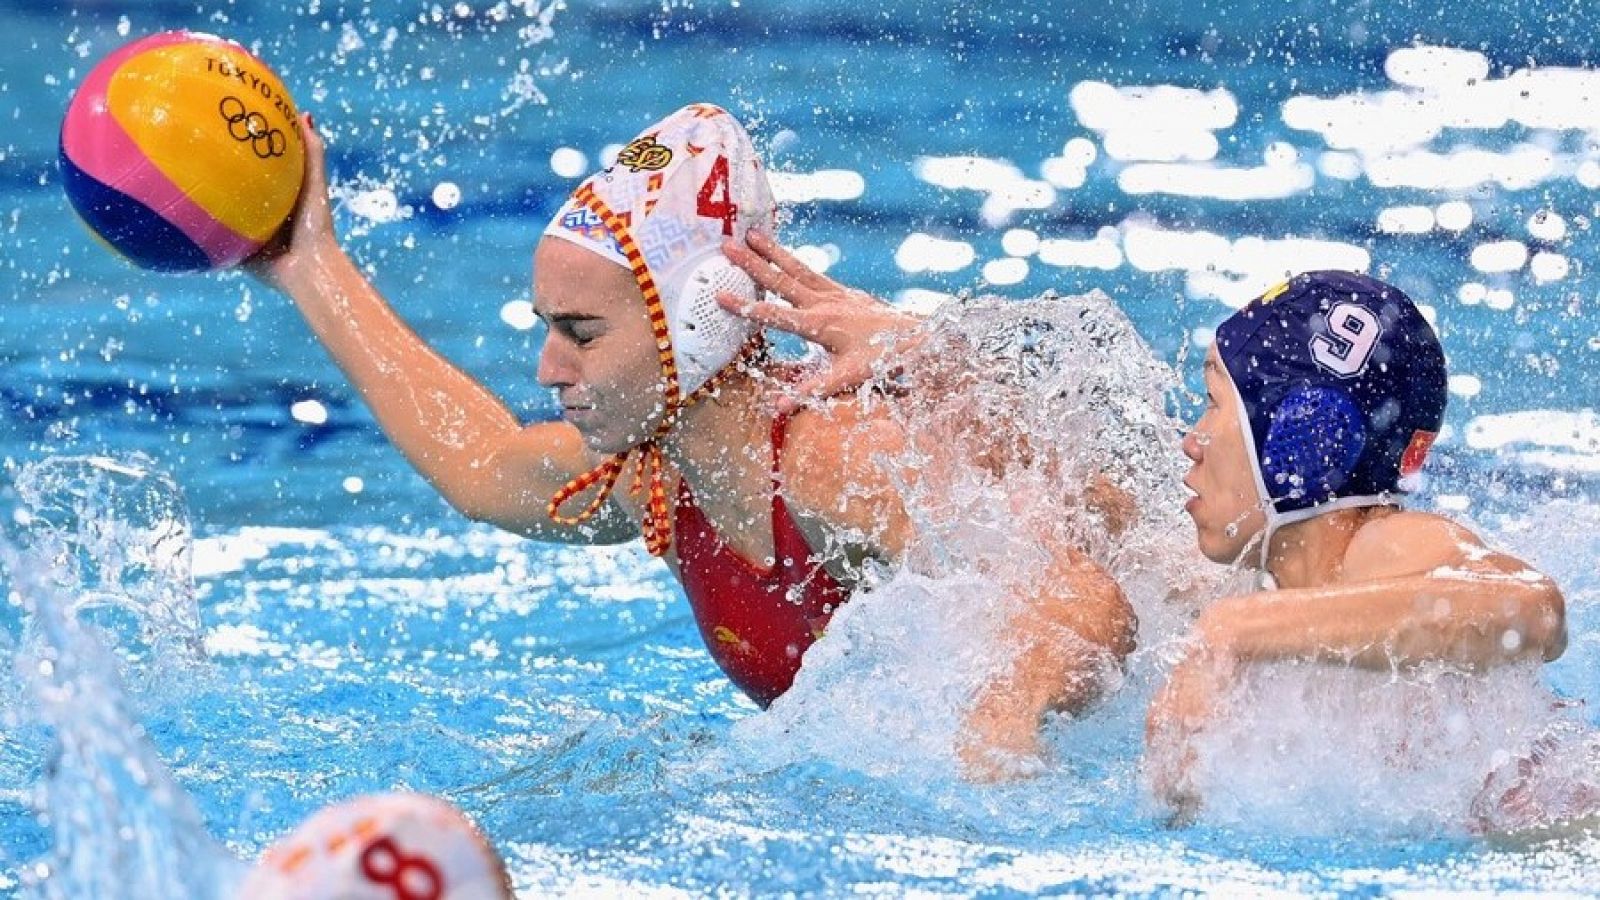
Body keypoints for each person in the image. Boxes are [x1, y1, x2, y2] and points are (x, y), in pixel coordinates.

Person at [247, 102, 1135, 769]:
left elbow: (1093, 604)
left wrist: (1002, 718)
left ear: (695, 320)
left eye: (583, 333)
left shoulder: (834, 458)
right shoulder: (664, 477)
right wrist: (308, 263)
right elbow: (487, 467)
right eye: (548, 328)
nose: (548, 369)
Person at [723, 263, 1584, 829]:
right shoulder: (1256, 573)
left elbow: (1528, 608)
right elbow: (1077, 487)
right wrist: (933, 354)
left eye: (1217, 406)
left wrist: (1228, 641)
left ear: (1302, 440)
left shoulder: (1386, 544)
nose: (1192, 439)